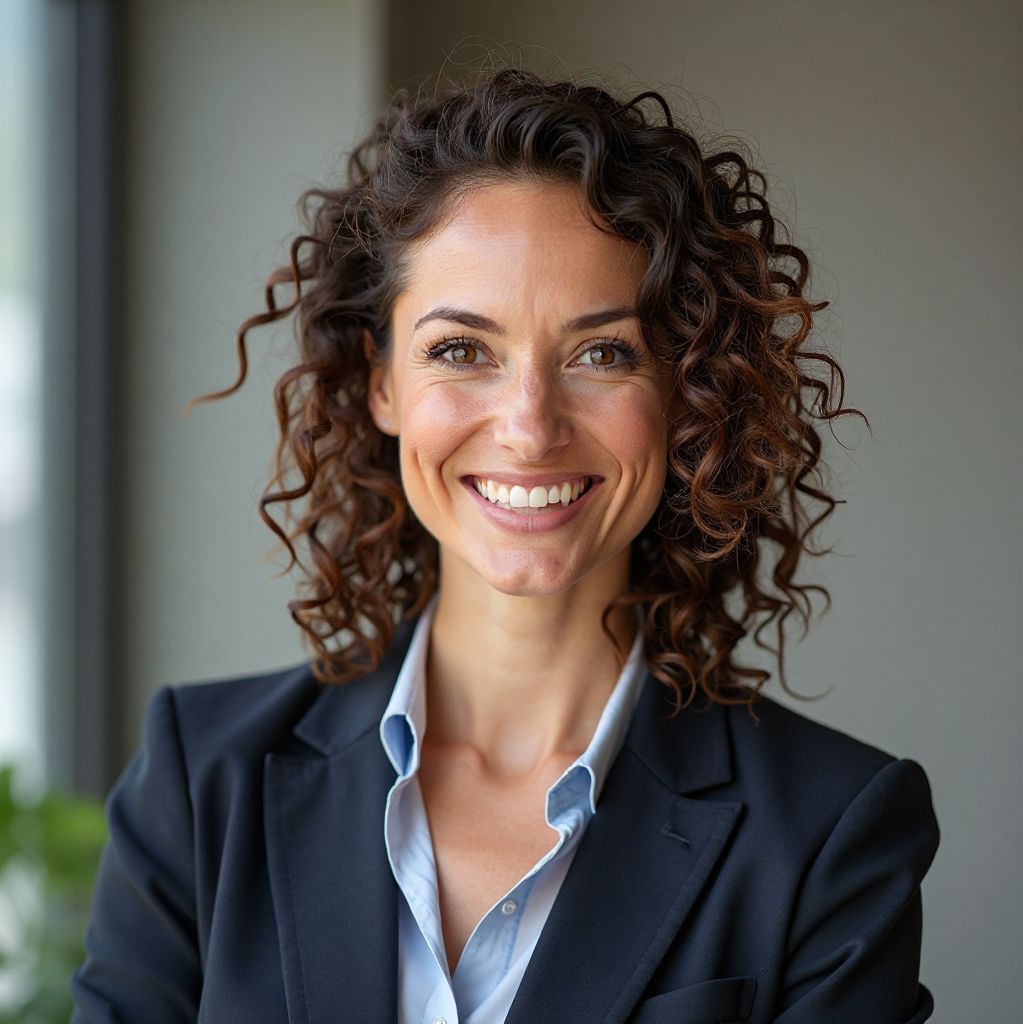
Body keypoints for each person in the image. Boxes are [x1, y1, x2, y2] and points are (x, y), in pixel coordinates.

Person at [70, 67, 940, 1023]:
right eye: (461, 350)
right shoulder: (199, 784)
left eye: (603, 352)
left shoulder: (831, 832)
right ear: (383, 384)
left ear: (683, 393)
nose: (530, 428)